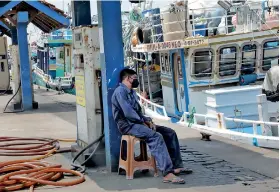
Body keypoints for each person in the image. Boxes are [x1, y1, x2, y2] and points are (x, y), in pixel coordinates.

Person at [111, 68, 192, 184]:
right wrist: (142, 122)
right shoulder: (120, 92)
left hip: (137, 123)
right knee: (156, 137)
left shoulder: (132, 93)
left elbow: (137, 111)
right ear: (128, 78)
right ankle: (167, 173)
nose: (136, 80)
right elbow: (128, 113)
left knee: (170, 133)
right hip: (128, 125)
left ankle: (176, 166)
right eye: (134, 78)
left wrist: (147, 120)